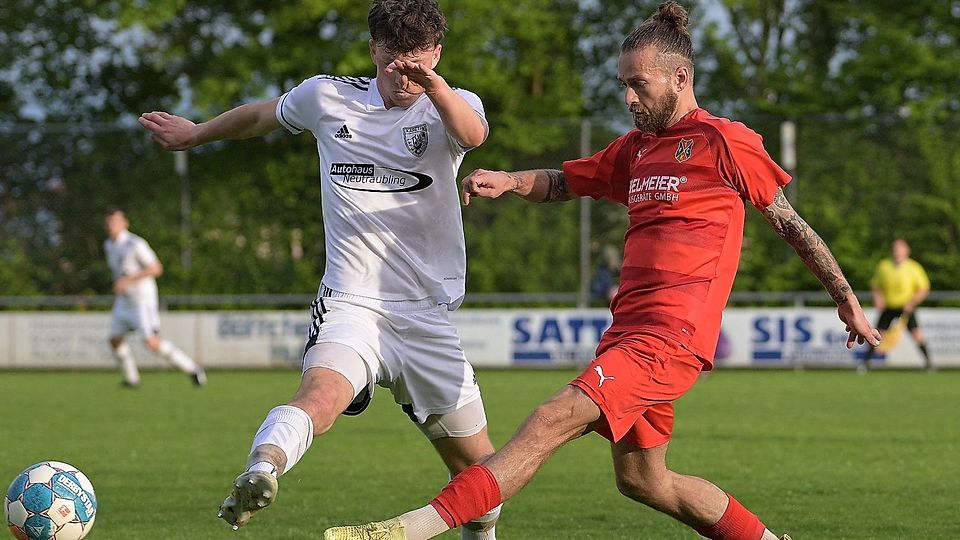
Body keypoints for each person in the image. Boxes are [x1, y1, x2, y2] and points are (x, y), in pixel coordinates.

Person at [324, 3, 880, 540]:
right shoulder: (637, 149)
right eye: (623, 84)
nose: (628, 97)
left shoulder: (725, 142)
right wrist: (513, 181)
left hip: (670, 339)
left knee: (549, 420)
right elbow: (568, 181)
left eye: (639, 84)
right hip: (628, 333)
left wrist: (845, 297)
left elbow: (791, 224)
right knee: (644, 480)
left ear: (680, 76)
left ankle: (407, 530)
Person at [138, 1, 503, 538]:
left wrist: (434, 86)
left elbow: (472, 136)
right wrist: (196, 134)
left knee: (483, 477)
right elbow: (262, 114)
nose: (404, 78)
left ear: (437, 54)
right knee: (320, 397)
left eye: (418, 62)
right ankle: (263, 467)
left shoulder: (451, 104)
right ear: (373, 49)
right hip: (351, 303)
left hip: (425, 315)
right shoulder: (327, 96)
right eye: (393, 62)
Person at [103, 207, 207, 388]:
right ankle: (131, 379)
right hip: (124, 301)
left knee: (151, 343)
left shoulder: (135, 244)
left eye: (115, 221)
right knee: (114, 339)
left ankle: (193, 369)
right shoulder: (109, 245)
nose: (111, 225)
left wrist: (128, 280)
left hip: (142, 301)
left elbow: (156, 268)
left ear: (125, 223)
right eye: (108, 221)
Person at [860, 238, 933, 371]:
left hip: (906, 308)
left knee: (917, 334)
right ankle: (865, 364)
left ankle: (929, 364)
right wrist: (878, 299)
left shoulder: (913, 267)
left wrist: (912, 303)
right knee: (876, 334)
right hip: (889, 308)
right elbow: (876, 286)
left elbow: (924, 289)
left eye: (900, 249)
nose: (897, 251)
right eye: (895, 248)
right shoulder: (884, 266)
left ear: (907, 251)